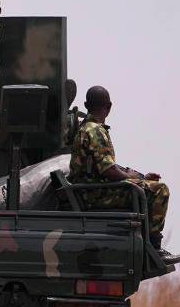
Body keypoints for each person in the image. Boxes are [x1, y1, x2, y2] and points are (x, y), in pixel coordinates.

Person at [67, 85, 173, 255]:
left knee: (147, 185)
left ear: (86, 105)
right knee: (160, 190)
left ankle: (147, 243)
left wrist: (141, 177)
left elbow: (106, 167)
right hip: (96, 195)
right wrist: (131, 179)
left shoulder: (85, 128)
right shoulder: (95, 130)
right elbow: (109, 171)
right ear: (108, 107)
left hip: (90, 192)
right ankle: (154, 247)